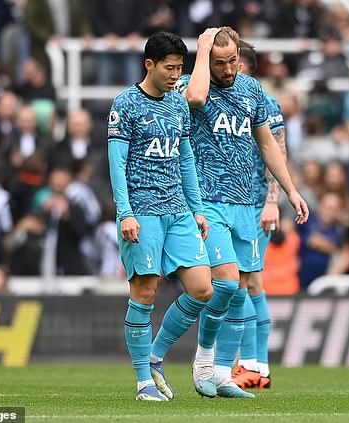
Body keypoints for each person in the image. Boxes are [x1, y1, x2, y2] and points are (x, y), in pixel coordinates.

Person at [169, 27, 308, 398]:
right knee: (228, 283)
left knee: (241, 287)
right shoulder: (189, 84)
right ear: (205, 60)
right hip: (207, 202)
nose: (228, 69)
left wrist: (289, 191)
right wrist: (201, 50)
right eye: (219, 62)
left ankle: (222, 374)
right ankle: (204, 362)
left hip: (246, 202)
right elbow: (196, 98)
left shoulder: (252, 91)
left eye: (232, 61)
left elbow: (268, 143)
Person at [107, 32, 213, 401]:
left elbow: (185, 159)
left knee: (203, 289)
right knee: (145, 292)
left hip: (178, 210)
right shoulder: (125, 105)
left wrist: (197, 208)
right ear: (149, 64)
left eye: (179, 68)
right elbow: (117, 165)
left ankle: (154, 355)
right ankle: (143, 383)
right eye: (169, 68)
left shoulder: (178, 104)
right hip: (143, 211)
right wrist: (125, 213)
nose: (175, 75)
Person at [231, 39, 286, 390]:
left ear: (248, 67)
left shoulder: (263, 101)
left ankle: (252, 365)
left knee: (245, 280)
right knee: (246, 282)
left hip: (254, 204)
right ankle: (258, 368)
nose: (229, 69)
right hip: (230, 202)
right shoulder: (225, 97)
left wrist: (272, 200)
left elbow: (278, 152)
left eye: (236, 63)